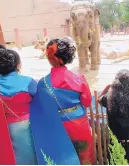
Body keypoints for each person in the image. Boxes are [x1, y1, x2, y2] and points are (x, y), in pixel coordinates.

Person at [30, 37, 93, 165]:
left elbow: (41, 109)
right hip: (79, 122)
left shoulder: (43, 83)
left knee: (63, 157)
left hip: (56, 125)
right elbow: (87, 102)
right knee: (84, 155)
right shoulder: (79, 78)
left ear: (50, 58)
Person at [0, 48, 37, 165]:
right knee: (32, 154)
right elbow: (40, 104)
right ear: (15, 63)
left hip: (4, 128)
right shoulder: (29, 81)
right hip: (29, 125)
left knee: (13, 157)